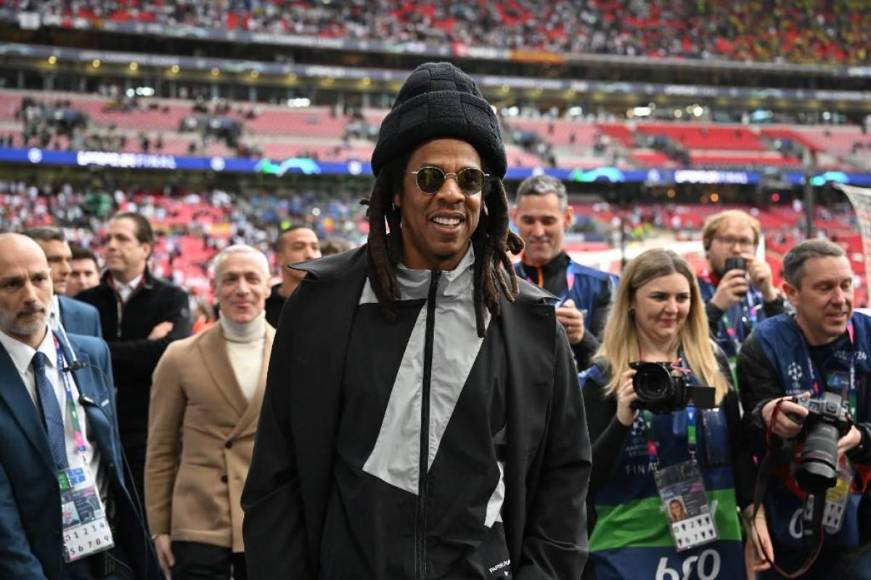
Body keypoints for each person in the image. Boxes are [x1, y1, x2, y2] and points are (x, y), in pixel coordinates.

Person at [243, 62, 591, 579]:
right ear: (396, 192)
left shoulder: (531, 323)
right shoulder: (321, 307)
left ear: (486, 197)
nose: (451, 193)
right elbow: (277, 477)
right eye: (431, 177)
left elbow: (564, 484)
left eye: (469, 179)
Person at [580, 248, 771, 579]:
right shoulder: (603, 377)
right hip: (629, 545)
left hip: (714, 538)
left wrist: (756, 518)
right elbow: (584, 479)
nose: (672, 308)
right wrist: (623, 418)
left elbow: (738, 451)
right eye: (659, 297)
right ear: (630, 301)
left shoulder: (710, 365)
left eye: (682, 297)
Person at [0, 233, 162, 579]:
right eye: (11, 284)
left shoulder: (91, 353)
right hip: (37, 563)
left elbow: (111, 459)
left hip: (110, 553)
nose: (30, 296)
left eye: (39, 279)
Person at [737, 239, 871, 578]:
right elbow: (746, 437)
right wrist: (767, 417)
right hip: (787, 514)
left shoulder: (869, 336)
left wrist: (861, 436)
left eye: (846, 285)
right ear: (791, 293)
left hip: (863, 511)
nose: (840, 299)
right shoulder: (763, 345)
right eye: (825, 288)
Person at [146, 245, 274, 580]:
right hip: (197, 523)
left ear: (267, 286)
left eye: (251, 279)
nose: (242, 289)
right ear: (214, 288)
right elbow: (160, 449)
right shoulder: (179, 356)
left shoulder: (294, 352)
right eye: (230, 279)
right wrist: (159, 527)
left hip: (267, 521)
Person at [77, 212, 192, 507]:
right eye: (108, 239)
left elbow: (169, 354)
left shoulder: (172, 297)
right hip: (92, 432)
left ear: (146, 248)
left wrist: (99, 350)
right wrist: (146, 347)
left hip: (147, 432)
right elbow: (74, 353)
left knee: (143, 526)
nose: (111, 246)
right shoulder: (86, 299)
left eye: (122, 238)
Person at [511, 174, 617, 370]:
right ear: (515, 217)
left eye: (548, 221)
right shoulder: (499, 282)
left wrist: (581, 337)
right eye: (528, 220)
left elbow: (612, 371)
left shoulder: (602, 286)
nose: (538, 231)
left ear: (567, 218)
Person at [697, 210, 784, 367]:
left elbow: (788, 342)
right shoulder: (690, 291)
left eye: (744, 241)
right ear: (707, 245)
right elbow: (684, 344)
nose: (737, 249)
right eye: (727, 239)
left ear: (755, 249)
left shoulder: (762, 293)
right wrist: (715, 308)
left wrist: (769, 294)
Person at [23, 227, 102, 337]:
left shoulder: (88, 315)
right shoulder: (7, 315)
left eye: (68, 260)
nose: (67, 270)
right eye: (55, 260)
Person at [264, 226, 321, 327]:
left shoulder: (334, 304)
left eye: (315, 247)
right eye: (299, 247)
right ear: (279, 258)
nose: (310, 255)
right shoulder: (264, 305)